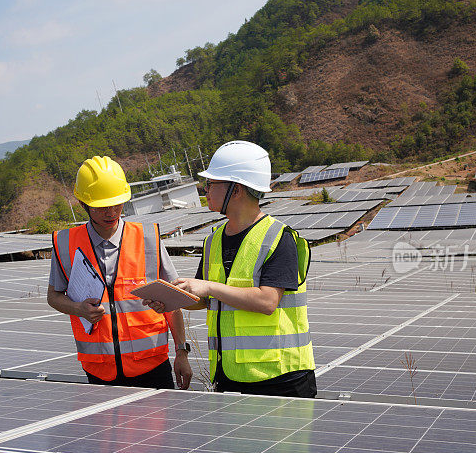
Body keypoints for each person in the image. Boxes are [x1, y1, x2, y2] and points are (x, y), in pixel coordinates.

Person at [173, 141, 316, 397]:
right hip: (230, 375)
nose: (204, 190)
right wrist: (173, 298)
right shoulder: (213, 240)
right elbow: (206, 299)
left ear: (235, 190)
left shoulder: (279, 237)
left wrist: (208, 287)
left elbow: (267, 301)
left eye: (211, 184)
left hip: (280, 378)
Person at [47, 155, 193, 390]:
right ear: (84, 203)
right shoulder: (65, 244)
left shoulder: (148, 238)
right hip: (99, 371)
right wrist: (78, 309)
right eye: (102, 207)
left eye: (117, 203)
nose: (111, 211)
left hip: (152, 367)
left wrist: (181, 352)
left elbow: (172, 300)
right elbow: (53, 296)